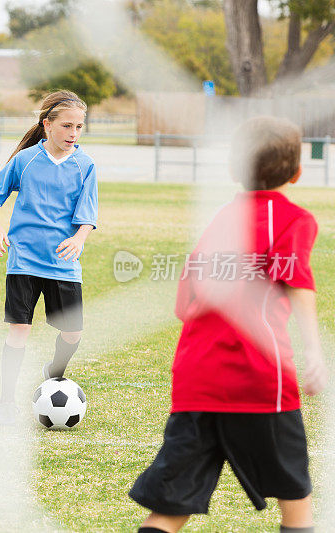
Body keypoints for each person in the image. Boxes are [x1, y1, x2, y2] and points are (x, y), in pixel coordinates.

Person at [129, 116, 327, 533]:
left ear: (235, 169)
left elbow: (184, 304)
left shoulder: (219, 219)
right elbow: (299, 281)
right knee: (295, 497)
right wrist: (314, 352)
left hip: (196, 381)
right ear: (297, 172)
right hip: (258, 379)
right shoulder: (292, 218)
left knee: (171, 506)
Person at [0, 90, 98, 423]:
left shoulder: (85, 165)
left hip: (63, 264)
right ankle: (6, 402)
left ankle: (54, 371)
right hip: (24, 261)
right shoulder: (25, 160)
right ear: (47, 125)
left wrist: (79, 237)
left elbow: (87, 215)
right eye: (66, 126)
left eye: (79, 126)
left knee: (72, 333)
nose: (73, 134)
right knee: (19, 330)